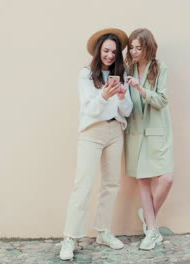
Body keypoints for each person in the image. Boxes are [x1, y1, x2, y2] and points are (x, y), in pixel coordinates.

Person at [59, 28, 132, 260]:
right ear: (98, 50)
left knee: (111, 184)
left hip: (114, 132)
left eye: (113, 52)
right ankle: (70, 238)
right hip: (91, 132)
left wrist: (121, 97)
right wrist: (104, 95)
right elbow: (89, 110)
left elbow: (128, 110)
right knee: (83, 185)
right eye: (106, 50)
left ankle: (103, 231)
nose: (110, 55)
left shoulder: (120, 74)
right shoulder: (86, 74)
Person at [124, 28, 174, 250]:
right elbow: (126, 104)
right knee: (143, 181)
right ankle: (152, 231)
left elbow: (162, 100)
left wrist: (141, 89)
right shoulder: (127, 69)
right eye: (131, 47)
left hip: (157, 131)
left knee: (166, 179)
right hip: (135, 132)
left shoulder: (160, 68)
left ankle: (147, 214)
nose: (134, 52)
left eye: (138, 47)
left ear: (148, 47)